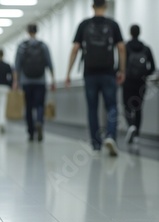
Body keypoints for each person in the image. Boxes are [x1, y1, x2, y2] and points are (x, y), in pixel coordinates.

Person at [65, 0, 126, 157]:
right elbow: (121, 48)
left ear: (92, 7)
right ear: (105, 7)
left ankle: (96, 143)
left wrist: (68, 73)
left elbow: (75, 49)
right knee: (111, 106)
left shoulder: (84, 24)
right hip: (108, 73)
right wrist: (122, 70)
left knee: (92, 108)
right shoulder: (113, 24)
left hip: (90, 73)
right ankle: (111, 136)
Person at [14, 24, 56, 142]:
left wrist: (16, 82)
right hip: (40, 81)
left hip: (26, 81)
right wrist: (53, 80)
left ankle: (31, 132)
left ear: (27, 32)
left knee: (28, 107)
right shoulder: (43, 46)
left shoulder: (22, 46)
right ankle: (39, 122)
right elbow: (50, 64)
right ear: (37, 31)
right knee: (39, 105)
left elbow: (17, 66)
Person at [122, 25, 156, 144]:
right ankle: (137, 135)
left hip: (128, 82)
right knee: (138, 108)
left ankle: (131, 125)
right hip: (141, 82)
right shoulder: (146, 48)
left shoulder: (125, 47)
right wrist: (144, 74)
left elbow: (121, 65)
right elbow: (152, 67)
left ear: (130, 33)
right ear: (139, 33)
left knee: (127, 107)